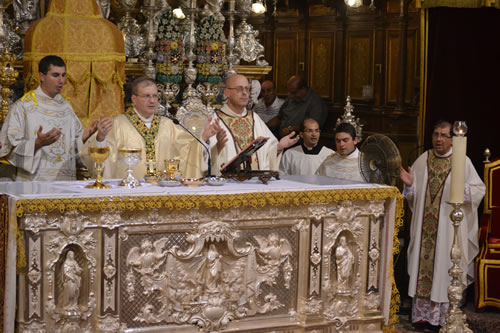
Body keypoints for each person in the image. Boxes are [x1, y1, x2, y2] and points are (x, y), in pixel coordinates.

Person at [399, 120, 485, 328]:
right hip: (424, 230)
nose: (438, 139)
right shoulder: (422, 160)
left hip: (449, 229)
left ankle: (442, 318)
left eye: (444, 135)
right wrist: (410, 187)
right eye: (435, 134)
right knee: (424, 267)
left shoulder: (461, 162)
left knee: (444, 268)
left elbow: (478, 189)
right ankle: (421, 316)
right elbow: (413, 198)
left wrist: (463, 192)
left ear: (453, 140)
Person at [83, 77, 220, 179]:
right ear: (134, 99)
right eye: (147, 96)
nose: (152, 101)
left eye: (155, 96)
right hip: (128, 193)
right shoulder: (118, 124)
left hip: (161, 191)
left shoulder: (168, 124)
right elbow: (93, 157)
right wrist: (101, 138)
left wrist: (203, 137)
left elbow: (188, 150)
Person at [0, 55, 105, 181]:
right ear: (42, 76)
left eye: (63, 75)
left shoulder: (66, 107)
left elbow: (72, 152)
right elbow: (10, 151)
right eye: (55, 75)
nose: (61, 81)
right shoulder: (23, 107)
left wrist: (84, 137)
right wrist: (37, 144)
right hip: (34, 184)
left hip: (64, 182)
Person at [213, 74, 298, 172]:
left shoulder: (254, 118)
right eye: (239, 89)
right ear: (227, 92)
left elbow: (268, 151)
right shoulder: (215, 120)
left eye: (247, 89)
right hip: (228, 183)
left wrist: (279, 147)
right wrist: (217, 148)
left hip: (254, 182)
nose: (245, 93)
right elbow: (205, 157)